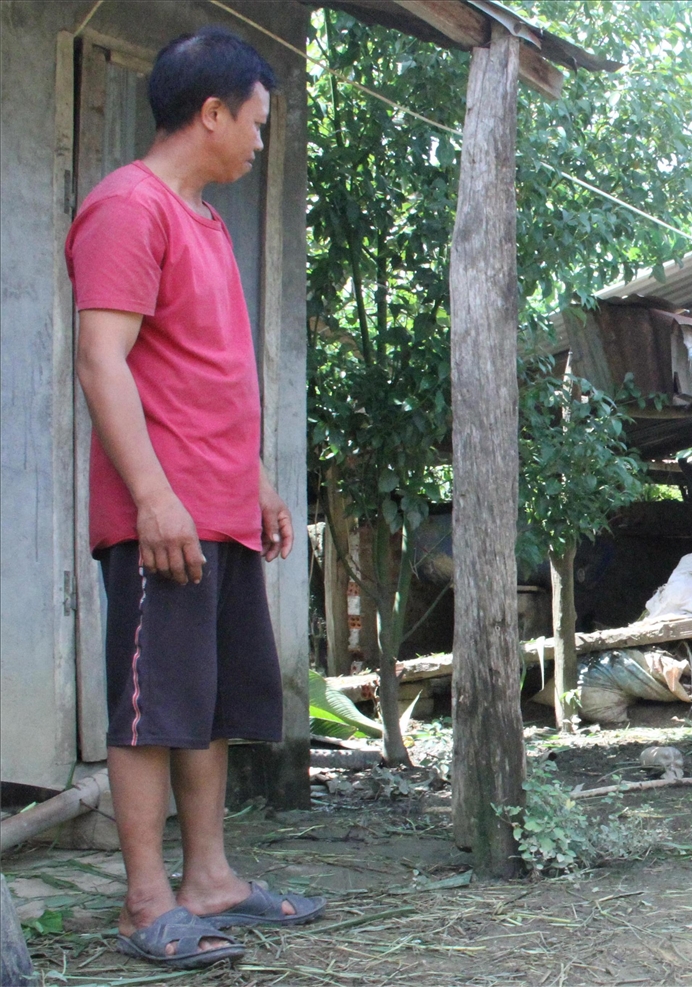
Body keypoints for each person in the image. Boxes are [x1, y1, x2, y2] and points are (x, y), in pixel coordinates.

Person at [67, 28, 325, 969]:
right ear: (211, 112)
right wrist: (153, 496)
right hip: (160, 512)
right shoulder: (127, 209)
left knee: (207, 702)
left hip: (216, 506)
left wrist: (250, 479)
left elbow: (207, 371)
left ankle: (209, 876)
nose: (262, 141)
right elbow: (103, 358)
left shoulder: (204, 219)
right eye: (256, 122)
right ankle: (145, 901)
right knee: (153, 707)